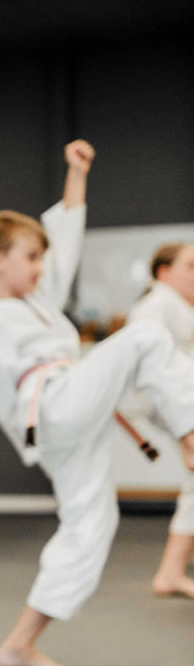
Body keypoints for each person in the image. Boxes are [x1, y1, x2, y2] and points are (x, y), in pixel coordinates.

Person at [0, 140, 194, 666]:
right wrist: (43, 430)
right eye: (31, 258)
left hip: (69, 421)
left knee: (92, 524)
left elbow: (64, 242)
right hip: (54, 408)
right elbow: (9, 400)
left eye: (42, 259)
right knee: (145, 337)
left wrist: (76, 173)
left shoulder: (35, 301)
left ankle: (20, 644)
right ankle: (190, 436)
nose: (43, 268)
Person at [128, 242, 194, 598]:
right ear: (163, 273)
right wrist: (187, 435)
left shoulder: (179, 309)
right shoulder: (154, 307)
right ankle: (170, 572)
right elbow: (154, 375)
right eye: (191, 266)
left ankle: (171, 571)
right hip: (177, 409)